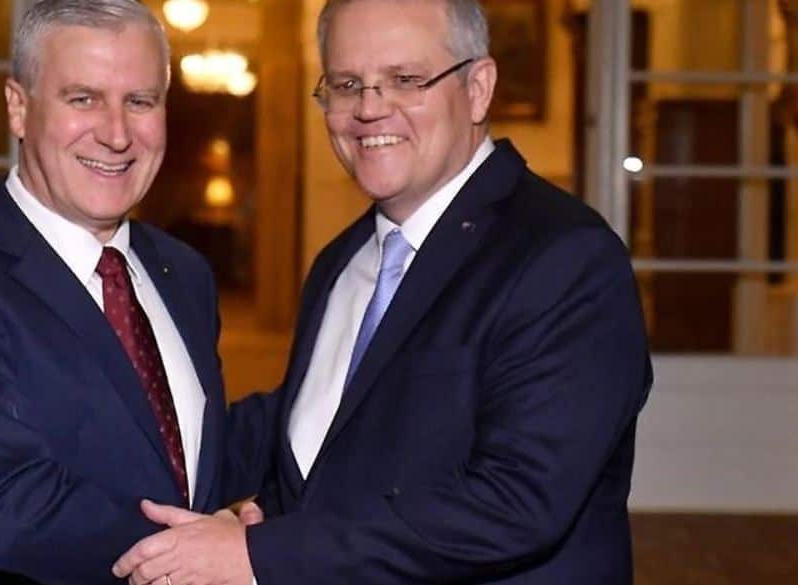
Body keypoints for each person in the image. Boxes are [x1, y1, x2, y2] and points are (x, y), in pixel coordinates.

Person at [114, 0, 653, 583]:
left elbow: (514, 503)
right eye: (347, 84)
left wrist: (261, 554)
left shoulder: (564, 257)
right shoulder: (341, 260)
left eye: (405, 80)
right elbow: (328, 430)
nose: (370, 109)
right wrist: (258, 507)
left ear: (478, 87)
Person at [0, 2, 228, 584]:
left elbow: (175, 458)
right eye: (83, 98)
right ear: (18, 107)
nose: (116, 134)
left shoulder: (183, 274)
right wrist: (210, 558)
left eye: (140, 101)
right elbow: (8, 512)